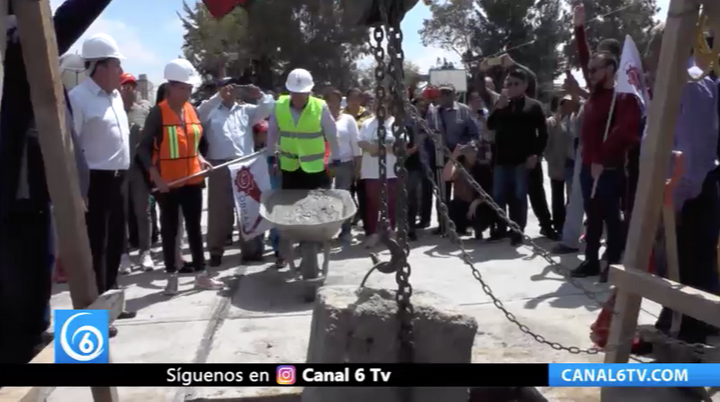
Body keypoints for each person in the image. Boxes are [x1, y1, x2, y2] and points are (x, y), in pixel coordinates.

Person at [0, 0, 115, 365]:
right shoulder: (21, 50)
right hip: (17, 198)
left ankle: (35, 335)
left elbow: (64, 133)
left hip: (35, 195)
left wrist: (77, 185)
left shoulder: (27, 63)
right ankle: (24, 346)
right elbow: (66, 20)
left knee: (38, 275)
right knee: (23, 283)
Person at [137, 59, 224, 295]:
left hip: (192, 179)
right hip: (168, 184)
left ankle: (201, 275)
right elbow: (143, 150)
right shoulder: (159, 113)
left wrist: (201, 159)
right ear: (172, 87)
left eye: (189, 88)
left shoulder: (191, 110)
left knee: (194, 228)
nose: (188, 92)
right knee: (170, 229)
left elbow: (191, 144)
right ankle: (171, 276)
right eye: (184, 88)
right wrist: (156, 178)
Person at [69, 33, 137, 330]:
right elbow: (71, 147)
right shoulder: (79, 99)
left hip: (119, 179)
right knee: (98, 247)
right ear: (99, 66)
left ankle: (111, 303)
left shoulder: (115, 98)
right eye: (116, 65)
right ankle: (95, 317)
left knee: (116, 246)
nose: (121, 72)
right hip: (95, 183)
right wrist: (78, 189)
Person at [570, 51, 641, 281]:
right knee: (592, 216)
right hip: (588, 166)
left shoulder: (621, 97)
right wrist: (579, 28)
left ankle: (611, 260)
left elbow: (623, 132)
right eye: (588, 70)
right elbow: (583, 59)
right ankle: (591, 260)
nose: (589, 74)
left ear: (610, 69)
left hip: (608, 168)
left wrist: (602, 158)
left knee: (611, 216)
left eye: (594, 70)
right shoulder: (595, 94)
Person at [203, 77, 274, 266]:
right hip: (219, 165)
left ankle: (251, 251)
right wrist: (217, 98)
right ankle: (216, 252)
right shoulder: (211, 110)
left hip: (244, 164)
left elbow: (269, 108)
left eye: (232, 86)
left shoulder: (246, 110)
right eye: (224, 86)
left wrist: (259, 95)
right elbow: (199, 113)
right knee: (219, 212)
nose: (229, 90)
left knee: (248, 209)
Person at [486, 68, 548, 246]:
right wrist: (498, 108)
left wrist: (536, 154)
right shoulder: (501, 104)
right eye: (509, 84)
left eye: (516, 84)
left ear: (525, 85)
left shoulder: (533, 106)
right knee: (498, 195)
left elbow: (543, 134)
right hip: (501, 159)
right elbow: (491, 125)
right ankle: (500, 228)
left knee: (519, 196)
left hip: (522, 160)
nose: (512, 87)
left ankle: (517, 231)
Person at [266, 68, 340, 191]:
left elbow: (332, 134)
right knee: (289, 204)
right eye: (294, 93)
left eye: (301, 94)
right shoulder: (279, 105)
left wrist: (335, 158)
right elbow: (272, 133)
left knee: (316, 204)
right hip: (289, 167)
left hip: (315, 168)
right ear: (289, 91)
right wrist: (271, 158)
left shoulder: (320, 106)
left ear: (309, 92)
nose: (297, 98)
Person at [426, 83, 479, 235]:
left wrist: (469, 146)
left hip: (460, 157)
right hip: (439, 158)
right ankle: (443, 224)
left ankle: (461, 225)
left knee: (461, 193)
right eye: (441, 94)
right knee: (442, 192)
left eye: (447, 93)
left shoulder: (464, 110)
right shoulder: (434, 112)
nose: (443, 97)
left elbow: (474, 133)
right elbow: (429, 132)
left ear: (454, 95)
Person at [118, 72, 154, 274]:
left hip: (140, 169)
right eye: (125, 85)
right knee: (120, 213)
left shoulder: (144, 110)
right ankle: (123, 255)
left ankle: (145, 252)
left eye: (132, 85)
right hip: (118, 169)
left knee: (143, 211)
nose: (129, 89)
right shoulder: (112, 110)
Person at [358, 99, 398, 248]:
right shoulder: (367, 123)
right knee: (372, 202)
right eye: (376, 106)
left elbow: (400, 146)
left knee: (392, 202)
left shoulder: (396, 123)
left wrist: (379, 148)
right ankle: (373, 233)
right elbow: (361, 142)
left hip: (391, 171)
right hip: (371, 171)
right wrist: (371, 148)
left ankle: (391, 232)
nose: (380, 108)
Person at [324, 87, 361, 243]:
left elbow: (356, 144)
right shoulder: (319, 118)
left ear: (341, 102)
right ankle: (324, 233)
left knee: (344, 197)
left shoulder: (348, 119)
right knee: (324, 199)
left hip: (345, 165)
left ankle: (346, 231)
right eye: (329, 101)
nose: (333, 104)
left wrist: (357, 167)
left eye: (336, 100)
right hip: (323, 165)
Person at [442, 141, 494, 239]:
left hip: (480, 204)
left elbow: (489, 192)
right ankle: (460, 229)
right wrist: (454, 155)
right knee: (453, 205)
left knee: (479, 211)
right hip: (463, 204)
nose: (473, 153)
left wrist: (475, 203)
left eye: (475, 150)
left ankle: (479, 229)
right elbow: (446, 176)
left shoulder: (483, 166)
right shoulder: (459, 167)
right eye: (470, 150)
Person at [544, 95, 575, 235]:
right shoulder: (551, 123)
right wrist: (550, 159)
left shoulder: (575, 121)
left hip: (570, 163)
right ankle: (558, 223)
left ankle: (569, 222)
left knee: (571, 196)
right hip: (556, 163)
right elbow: (546, 144)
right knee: (557, 195)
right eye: (565, 104)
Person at [344, 87, 373, 230]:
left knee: (363, 192)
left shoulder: (368, 115)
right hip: (346, 158)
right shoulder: (341, 114)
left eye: (357, 98)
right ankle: (348, 221)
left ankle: (366, 220)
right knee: (347, 192)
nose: (354, 101)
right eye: (351, 98)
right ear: (347, 99)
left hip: (364, 158)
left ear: (361, 100)